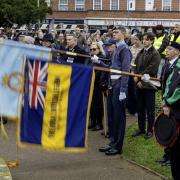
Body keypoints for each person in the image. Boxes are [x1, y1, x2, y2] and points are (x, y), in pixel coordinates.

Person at [98, 26, 132, 155]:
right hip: (113, 85)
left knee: (119, 117)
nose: (114, 34)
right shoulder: (117, 48)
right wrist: (99, 62)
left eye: (117, 32)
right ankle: (112, 142)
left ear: (123, 34)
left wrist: (123, 89)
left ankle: (118, 146)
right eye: (113, 32)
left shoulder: (124, 49)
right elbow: (112, 67)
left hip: (119, 86)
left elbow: (125, 71)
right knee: (111, 116)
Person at [132, 32, 161, 139]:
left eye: (147, 39)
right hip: (139, 85)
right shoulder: (141, 52)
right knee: (140, 108)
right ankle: (141, 128)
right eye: (143, 39)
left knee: (150, 109)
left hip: (149, 85)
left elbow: (151, 69)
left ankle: (150, 130)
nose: (144, 41)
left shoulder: (155, 54)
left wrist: (139, 78)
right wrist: (136, 77)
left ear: (152, 41)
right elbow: (135, 65)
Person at [161, 41, 180, 180]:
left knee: (177, 144)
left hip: (177, 108)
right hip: (172, 108)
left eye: (170, 49)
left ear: (178, 52)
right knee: (173, 142)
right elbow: (167, 85)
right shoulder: (169, 65)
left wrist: (167, 102)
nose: (166, 51)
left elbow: (177, 88)